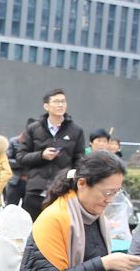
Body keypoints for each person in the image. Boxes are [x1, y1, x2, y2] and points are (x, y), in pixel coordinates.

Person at [17, 152, 140, 271]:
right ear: (82, 183)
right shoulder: (54, 218)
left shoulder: (98, 219)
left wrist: (119, 270)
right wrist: (104, 264)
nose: (110, 200)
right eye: (107, 192)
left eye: (115, 192)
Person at [15, 90, 87, 218]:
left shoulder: (76, 131)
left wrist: (71, 181)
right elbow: (21, 157)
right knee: (32, 226)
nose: (60, 105)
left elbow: (79, 161)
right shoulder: (34, 129)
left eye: (63, 101)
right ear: (46, 106)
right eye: (56, 101)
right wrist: (41, 155)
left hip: (61, 190)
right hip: (35, 190)